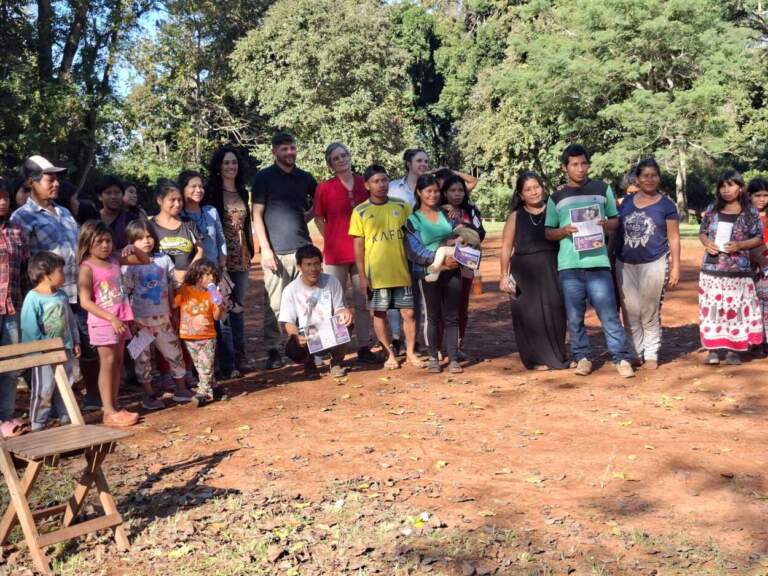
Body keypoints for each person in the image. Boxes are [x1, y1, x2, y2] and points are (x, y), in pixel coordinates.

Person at [544, 144, 634, 378]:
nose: (580, 168)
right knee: (574, 317)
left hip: (598, 263)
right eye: (574, 164)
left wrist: (606, 224)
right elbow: (548, 232)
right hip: (570, 265)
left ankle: (621, 358)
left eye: (584, 163)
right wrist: (564, 230)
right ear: (565, 167)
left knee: (608, 314)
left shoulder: (602, 189)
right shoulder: (556, 198)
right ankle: (582, 356)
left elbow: (616, 221)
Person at [252, 132, 317, 370]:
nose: (289, 153)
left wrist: (307, 216)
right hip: (276, 252)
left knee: (306, 302)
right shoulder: (264, 178)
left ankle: (306, 347)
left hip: (302, 249)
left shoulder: (305, 177)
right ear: (274, 152)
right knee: (275, 305)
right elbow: (257, 214)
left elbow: (318, 203)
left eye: (292, 148)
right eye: (284, 149)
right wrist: (266, 250)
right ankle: (274, 350)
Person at [78, 220, 149, 427]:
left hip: (121, 320)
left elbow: (144, 260)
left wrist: (133, 247)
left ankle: (115, 406)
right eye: (99, 241)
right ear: (88, 243)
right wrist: (110, 318)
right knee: (107, 365)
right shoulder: (87, 268)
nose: (105, 245)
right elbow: (85, 301)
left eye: (108, 240)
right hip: (104, 323)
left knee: (117, 364)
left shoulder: (115, 259)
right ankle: (108, 411)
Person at [314, 142, 378, 364]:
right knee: (332, 302)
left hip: (362, 252)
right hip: (335, 254)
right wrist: (329, 238)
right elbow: (318, 217)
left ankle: (363, 346)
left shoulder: (364, 183)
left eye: (343, 155)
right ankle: (334, 348)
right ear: (330, 164)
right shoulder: (325, 187)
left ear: (350, 157)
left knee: (362, 301)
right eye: (335, 158)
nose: (341, 160)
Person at [349, 164, 418, 370]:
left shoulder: (401, 206)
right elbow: (359, 245)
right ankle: (389, 355)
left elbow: (413, 235)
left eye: (385, 180)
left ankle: (412, 353)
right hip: (376, 274)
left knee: (409, 314)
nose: (382, 185)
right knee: (379, 314)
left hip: (401, 271)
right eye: (376, 181)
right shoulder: (360, 211)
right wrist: (362, 276)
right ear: (367, 185)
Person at [615, 159, 681, 370]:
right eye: (645, 176)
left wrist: (676, 266)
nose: (649, 179)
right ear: (637, 179)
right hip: (624, 262)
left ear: (659, 178)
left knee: (649, 309)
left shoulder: (667, 205)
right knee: (629, 309)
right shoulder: (624, 202)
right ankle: (635, 351)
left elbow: (674, 238)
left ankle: (651, 352)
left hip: (654, 261)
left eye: (654, 175)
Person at [122, 219, 194, 409]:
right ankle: (149, 394)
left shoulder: (163, 260)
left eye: (148, 237)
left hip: (164, 319)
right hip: (140, 322)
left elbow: (172, 285)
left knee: (174, 352)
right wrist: (130, 321)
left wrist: (174, 310)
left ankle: (180, 388)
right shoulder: (128, 266)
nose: (146, 241)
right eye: (139, 239)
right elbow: (125, 293)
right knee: (142, 358)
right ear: (130, 242)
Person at [500, 172, 569, 370]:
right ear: (521, 195)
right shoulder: (515, 216)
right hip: (524, 273)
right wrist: (504, 275)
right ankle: (534, 359)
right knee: (529, 317)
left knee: (555, 312)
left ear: (543, 187)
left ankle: (557, 355)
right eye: (528, 189)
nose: (534, 192)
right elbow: (506, 247)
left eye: (536, 187)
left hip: (552, 268)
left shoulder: (555, 210)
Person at [698, 171, 764, 365]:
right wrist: (707, 242)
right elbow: (702, 232)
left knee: (736, 310)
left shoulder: (750, 211)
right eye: (722, 186)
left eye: (731, 185)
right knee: (713, 309)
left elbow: (758, 237)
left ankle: (734, 350)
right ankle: (712, 349)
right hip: (712, 268)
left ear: (740, 188)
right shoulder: (712, 209)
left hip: (738, 271)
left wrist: (740, 246)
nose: (726, 190)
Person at [404, 174, 462, 373]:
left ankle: (453, 358)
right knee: (433, 315)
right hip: (428, 272)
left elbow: (459, 236)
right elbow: (414, 251)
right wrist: (439, 261)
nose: (433, 195)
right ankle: (433, 357)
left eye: (436, 191)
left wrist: (455, 257)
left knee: (452, 315)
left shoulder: (448, 214)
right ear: (419, 193)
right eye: (428, 191)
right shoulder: (413, 220)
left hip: (453, 269)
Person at [203, 146, 254, 373]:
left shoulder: (243, 192)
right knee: (220, 306)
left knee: (238, 306)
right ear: (218, 166)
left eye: (234, 162)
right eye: (226, 163)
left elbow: (248, 224)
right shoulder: (211, 192)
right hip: (219, 260)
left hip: (241, 256)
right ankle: (224, 359)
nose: (231, 166)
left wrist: (253, 249)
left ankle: (240, 355)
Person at [21, 252, 81, 430]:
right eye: (60, 271)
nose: (64, 275)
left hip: (65, 349)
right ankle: (38, 423)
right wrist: (40, 351)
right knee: (44, 389)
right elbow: (29, 327)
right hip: (44, 355)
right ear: (47, 275)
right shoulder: (33, 298)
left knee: (67, 385)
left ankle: (66, 418)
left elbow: (70, 320)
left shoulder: (61, 295)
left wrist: (76, 341)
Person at [278, 244, 353, 378]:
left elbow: (339, 308)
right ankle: (309, 364)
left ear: (321, 264)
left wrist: (344, 313)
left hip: (328, 330)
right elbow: (287, 321)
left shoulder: (332, 282)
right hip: (307, 335)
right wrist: (295, 335)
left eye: (316, 263)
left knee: (347, 324)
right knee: (292, 347)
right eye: (308, 264)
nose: (313, 269)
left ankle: (336, 363)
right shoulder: (290, 290)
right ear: (299, 267)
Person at [388, 149, 430, 354]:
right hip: (397, 248)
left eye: (426, 161)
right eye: (419, 160)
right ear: (408, 163)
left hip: (424, 249)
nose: (423, 164)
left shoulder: (431, 186)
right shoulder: (393, 187)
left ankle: (416, 339)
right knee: (397, 295)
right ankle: (396, 338)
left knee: (418, 297)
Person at [442, 174, 486, 359]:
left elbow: (480, 232)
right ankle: (438, 346)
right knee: (442, 306)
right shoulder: (438, 210)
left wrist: (463, 231)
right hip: (445, 263)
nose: (457, 194)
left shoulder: (471, 209)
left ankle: (456, 345)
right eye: (453, 190)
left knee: (462, 306)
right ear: (445, 192)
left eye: (460, 190)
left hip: (467, 262)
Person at [175, 259, 226, 406]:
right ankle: (215, 389)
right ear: (196, 275)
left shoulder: (213, 294)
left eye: (213, 276)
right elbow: (175, 305)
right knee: (201, 366)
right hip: (189, 337)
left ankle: (202, 393)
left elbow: (216, 317)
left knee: (206, 366)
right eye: (206, 275)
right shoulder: (185, 290)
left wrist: (219, 306)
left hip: (207, 336)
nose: (211, 278)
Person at [0, 178, 29, 431]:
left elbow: (25, 270)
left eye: (5, 197)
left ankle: (6, 417)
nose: (2, 202)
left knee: (11, 367)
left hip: (12, 309)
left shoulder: (17, 230)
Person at [151, 179, 203, 286]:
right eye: (172, 200)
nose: (177, 204)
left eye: (180, 200)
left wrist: (188, 273)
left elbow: (200, 250)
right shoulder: (149, 226)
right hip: (160, 284)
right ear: (160, 200)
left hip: (188, 283)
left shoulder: (189, 223)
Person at [748, 177, 768, 353]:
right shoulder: (745, 216)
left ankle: (764, 341)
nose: (762, 199)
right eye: (758, 195)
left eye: (765, 195)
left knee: (765, 302)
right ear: (749, 196)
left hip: (766, 266)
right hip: (748, 265)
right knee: (751, 302)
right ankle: (755, 340)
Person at [95, 175, 140, 250]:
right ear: (100, 196)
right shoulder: (92, 218)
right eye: (108, 193)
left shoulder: (132, 219)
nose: (113, 197)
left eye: (117, 193)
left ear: (122, 195)